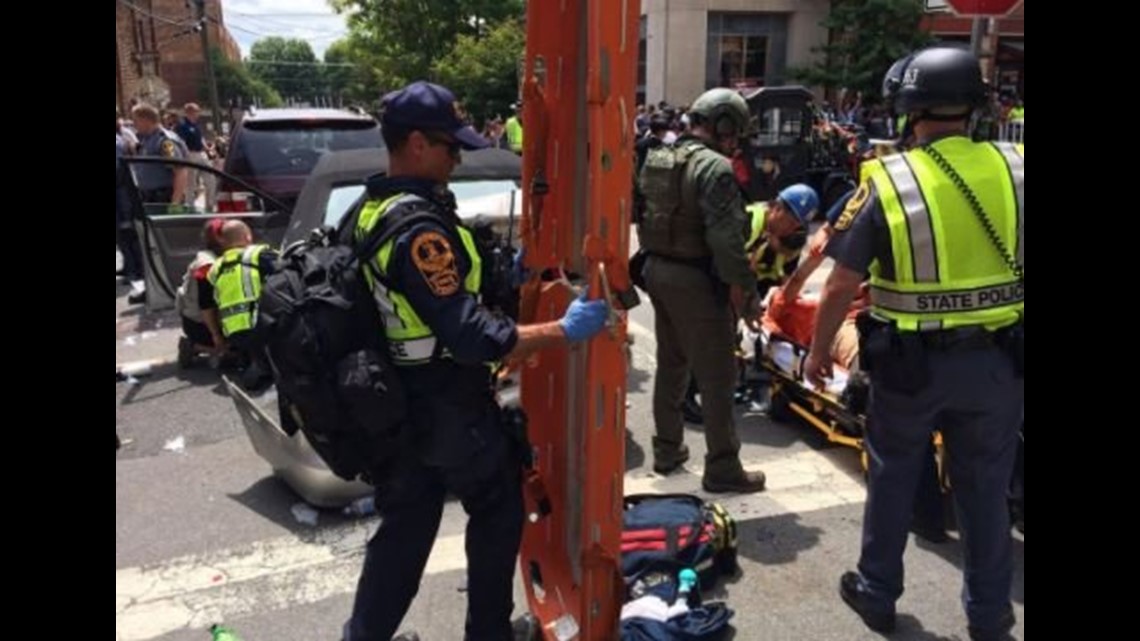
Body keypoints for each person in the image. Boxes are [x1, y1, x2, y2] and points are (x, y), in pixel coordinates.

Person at [342, 80, 609, 641]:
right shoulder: (418, 228)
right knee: (496, 505)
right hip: (444, 403)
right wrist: (562, 329)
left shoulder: (370, 209)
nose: (457, 158)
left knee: (405, 530)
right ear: (417, 143)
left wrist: (502, 272)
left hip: (395, 403)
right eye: (449, 146)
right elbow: (470, 336)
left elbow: (424, 297)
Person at [803, 47, 1023, 641]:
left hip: (910, 368)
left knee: (893, 477)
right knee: (985, 491)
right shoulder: (1016, 167)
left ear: (909, 110)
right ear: (975, 107)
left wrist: (819, 353)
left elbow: (840, 283)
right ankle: (990, 616)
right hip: (999, 365)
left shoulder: (890, 180)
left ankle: (877, 593)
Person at [636, 87, 767, 494]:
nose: (736, 140)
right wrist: (748, 295)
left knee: (672, 363)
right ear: (724, 124)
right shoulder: (716, 169)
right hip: (696, 279)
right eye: (735, 130)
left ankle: (667, 449)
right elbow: (727, 243)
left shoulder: (660, 156)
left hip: (658, 269)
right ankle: (723, 467)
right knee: (718, 377)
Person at [206, 220, 278, 391]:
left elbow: (213, 300)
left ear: (224, 242)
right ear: (248, 237)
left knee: (250, 351)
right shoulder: (259, 255)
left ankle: (250, 361)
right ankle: (263, 366)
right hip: (261, 327)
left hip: (232, 332)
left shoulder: (215, 268)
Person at [175, 218, 228, 368]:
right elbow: (206, 305)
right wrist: (216, 335)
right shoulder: (207, 265)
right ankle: (194, 346)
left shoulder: (217, 257)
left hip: (205, 319)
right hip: (201, 324)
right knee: (240, 353)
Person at [175, 103, 217, 210]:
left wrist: (207, 148)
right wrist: (185, 155)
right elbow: (181, 142)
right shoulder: (182, 125)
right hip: (190, 154)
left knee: (211, 179)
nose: (198, 114)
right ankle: (190, 206)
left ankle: (210, 205)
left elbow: (201, 138)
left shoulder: (196, 125)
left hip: (201, 154)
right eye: (196, 111)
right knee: (191, 182)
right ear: (189, 112)